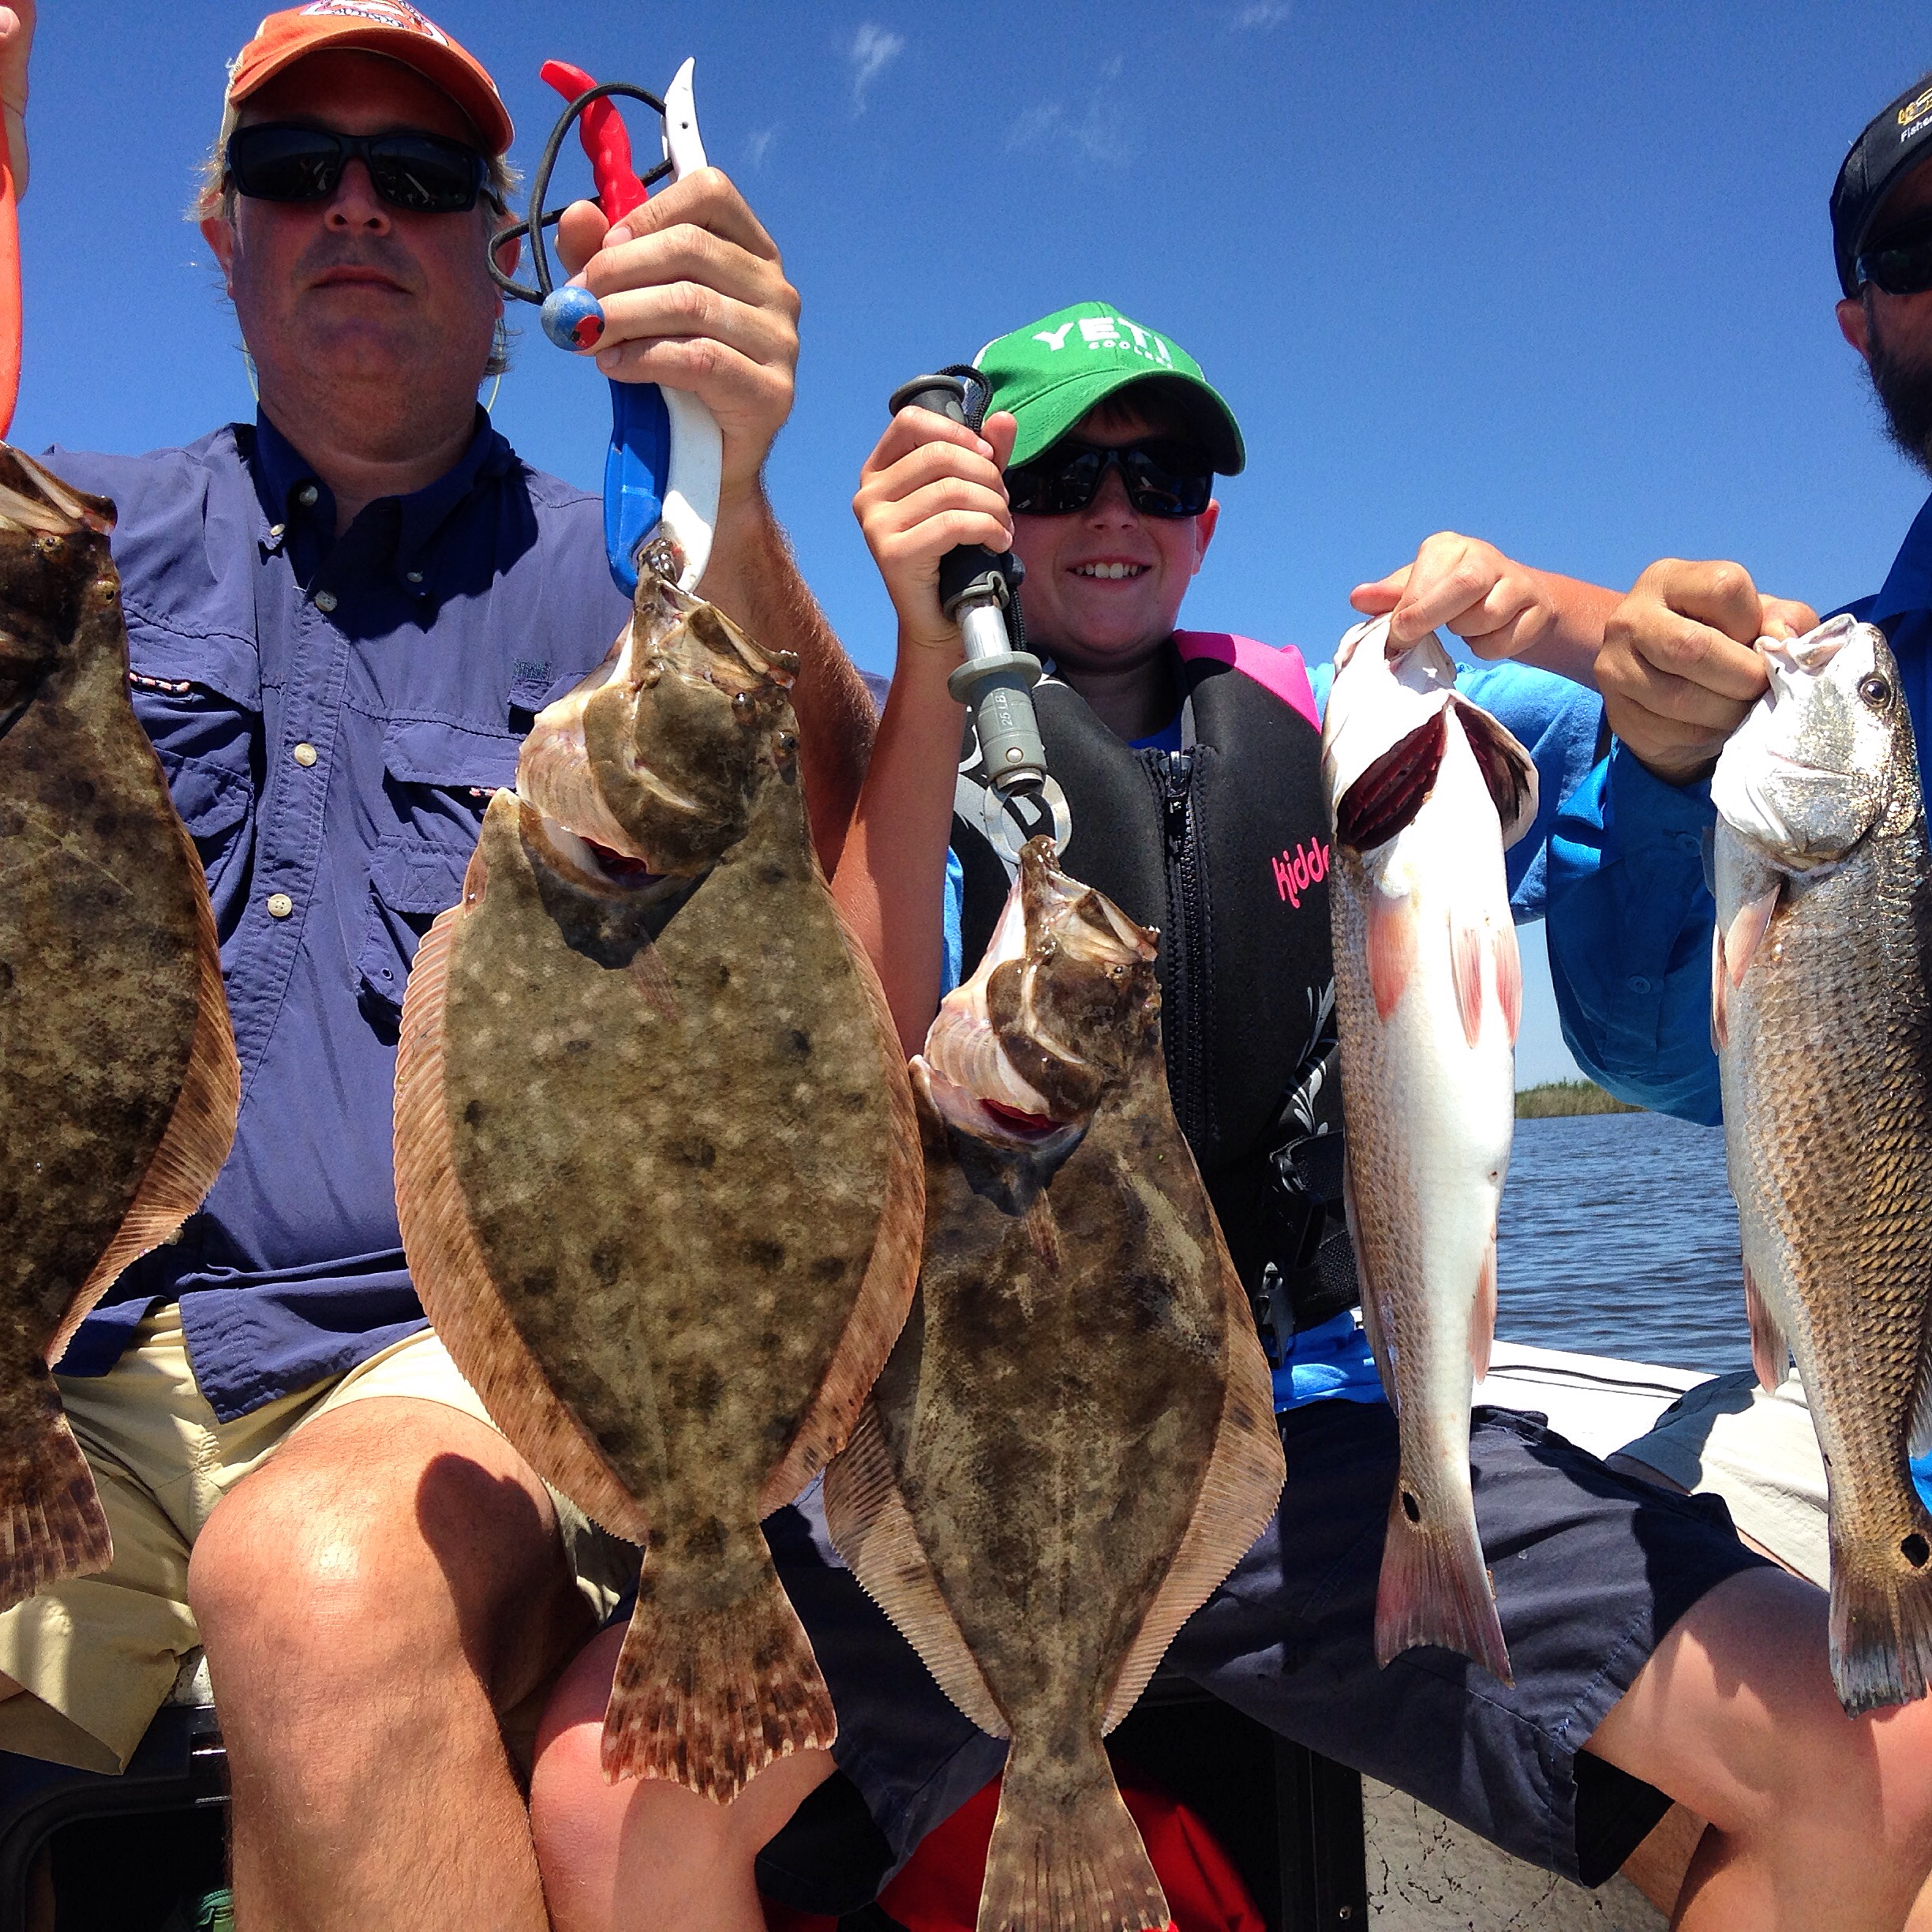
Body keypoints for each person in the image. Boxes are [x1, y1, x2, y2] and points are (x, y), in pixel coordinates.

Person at [527, 298, 1932, 1932]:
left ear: (1209, 521)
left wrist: (1577, 628)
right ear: (988, 503)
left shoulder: (1352, 730)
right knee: (604, 1786)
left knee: (1882, 1752)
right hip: (955, 1470)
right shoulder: (895, 740)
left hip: (1308, 1447)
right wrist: (930, 646)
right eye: (1061, 474)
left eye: (1164, 469)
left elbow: (1690, 729)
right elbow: (849, 1072)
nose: (1116, 509)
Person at [0, 5, 872, 1928]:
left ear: (516, 264)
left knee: (313, 1584)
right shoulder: (67, 545)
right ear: (221, 237)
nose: (357, 210)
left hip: (460, 1361)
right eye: (299, 173)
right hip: (63, 1348)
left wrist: (731, 469)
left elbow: (815, 852)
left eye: (422, 179)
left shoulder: (625, 576)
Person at [1544, 72, 1932, 1628]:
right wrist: (1651, 763)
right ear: (1860, 319)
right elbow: (1661, 1049)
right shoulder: (1864, 679)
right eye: (1917, 248)